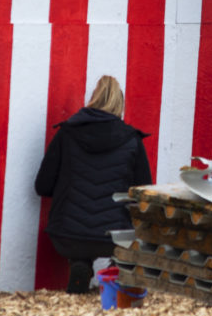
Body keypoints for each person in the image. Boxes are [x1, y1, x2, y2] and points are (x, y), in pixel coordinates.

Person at [35, 76, 152, 293]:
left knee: (81, 235)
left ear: (92, 98)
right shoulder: (132, 140)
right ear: (120, 104)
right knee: (133, 223)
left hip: (67, 236)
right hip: (114, 238)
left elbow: (42, 185)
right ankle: (118, 269)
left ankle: (81, 264)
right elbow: (143, 194)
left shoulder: (67, 133)